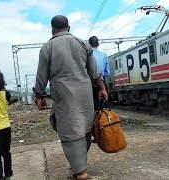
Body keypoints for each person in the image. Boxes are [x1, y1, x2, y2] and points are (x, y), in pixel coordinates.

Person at [33, 15, 108, 180]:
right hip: (85, 94)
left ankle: (81, 173)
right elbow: (95, 72)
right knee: (85, 128)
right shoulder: (84, 44)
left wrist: (39, 95)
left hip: (63, 94)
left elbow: (41, 75)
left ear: (52, 28)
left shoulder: (47, 47)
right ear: (69, 27)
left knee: (69, 131)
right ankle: (79, 166)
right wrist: (102, 88)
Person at [88, 36, 111, 111]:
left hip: (89, 81)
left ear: (89, 45)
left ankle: (94, 118)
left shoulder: (87, 55)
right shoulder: (104, 55)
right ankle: (104, 119)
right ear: (98, 44)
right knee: (104, 101)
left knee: (92, 102)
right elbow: (107, 72)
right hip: (102, 80)